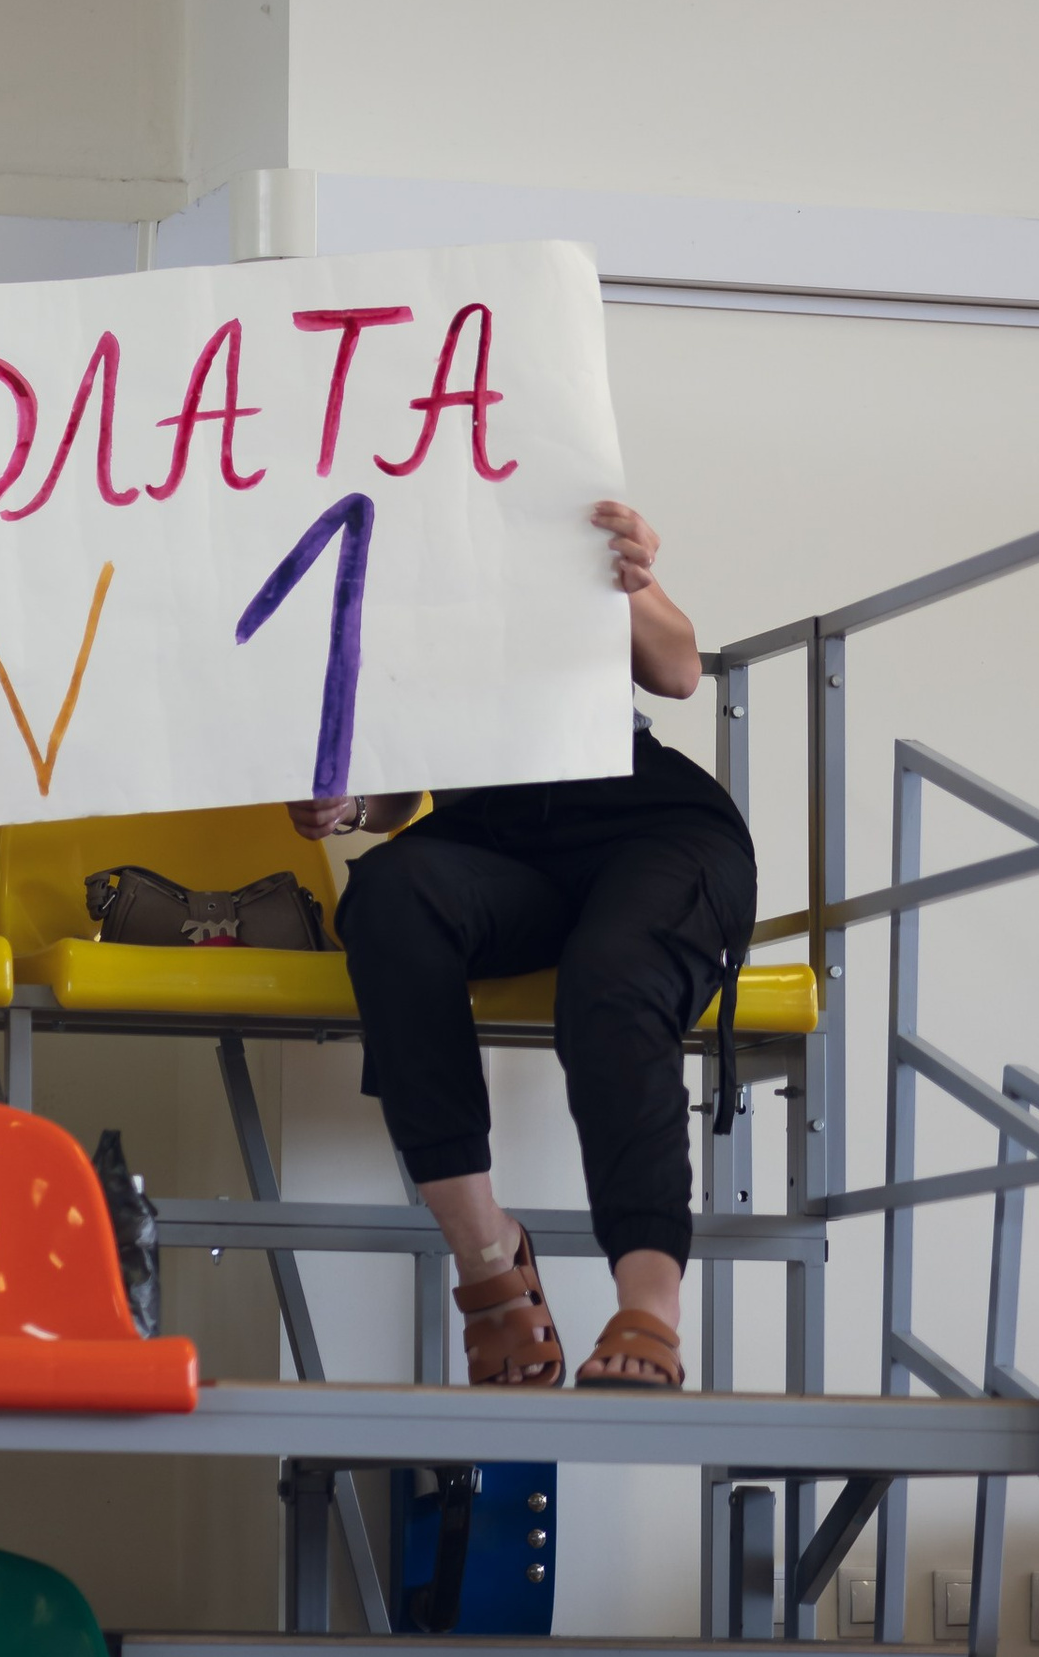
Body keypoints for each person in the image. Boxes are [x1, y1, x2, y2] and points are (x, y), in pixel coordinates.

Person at [293, 502, 754, 1394]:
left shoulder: (556, 513)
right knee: (389, 893)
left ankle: (649, 1305)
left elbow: (679, 671)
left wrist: (636, 582)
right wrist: (345, 808)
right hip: (493, 841)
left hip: (644, 818)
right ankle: (487, 1256)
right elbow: (396, 797)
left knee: (614, 977)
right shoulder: (371, 565)